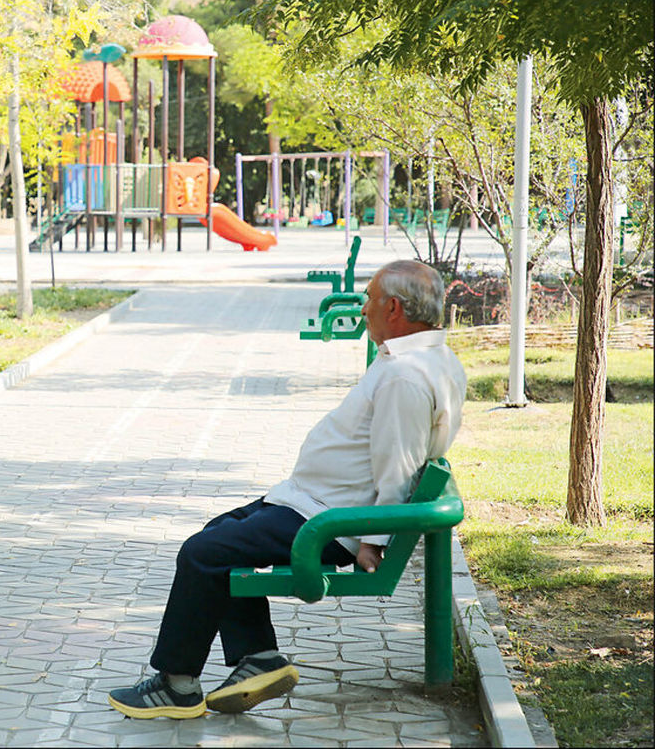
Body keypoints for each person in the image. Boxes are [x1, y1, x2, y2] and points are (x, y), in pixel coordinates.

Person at [106, 259, 467, 719]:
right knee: (217, 537)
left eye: (369, 299)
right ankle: (258, 657)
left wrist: (374, 541)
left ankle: (176, 686)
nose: (362, 309)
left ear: (394, 308)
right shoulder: (426, 358)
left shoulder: (406, 377)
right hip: (314, 502)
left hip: (330, 519)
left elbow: (397, 465)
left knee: (202, 553)